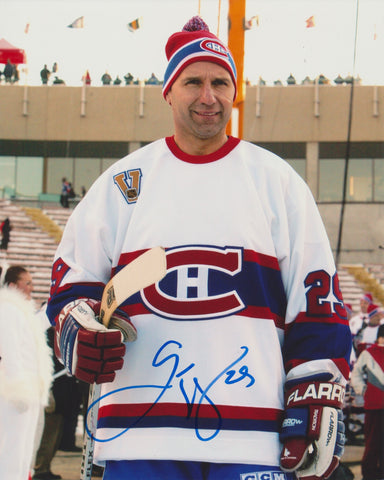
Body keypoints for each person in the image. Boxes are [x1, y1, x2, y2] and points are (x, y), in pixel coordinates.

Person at [46, 16, 351, 480]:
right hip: (136, 434)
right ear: (168, 90)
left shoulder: (278, 182)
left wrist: (316, 393)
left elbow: (317, 303)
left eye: (220, 82)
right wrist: (77, 324)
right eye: (193, 81)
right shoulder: (123, 184)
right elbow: (71, 287)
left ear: (234, 92)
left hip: (253, 437)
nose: (208, 96)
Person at [0, 266, 52, 480]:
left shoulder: (22, 312)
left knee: (24, 455)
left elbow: (36, 332)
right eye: (27, 283)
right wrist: (17, 390)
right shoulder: (7, 309)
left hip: (29, 392)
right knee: (11, 454)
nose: (31, 288)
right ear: (12, 285)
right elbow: (9, 351)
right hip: (14, 395)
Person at [350, 323, 384, 480]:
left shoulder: (368, 353)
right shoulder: (368, 353)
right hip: (375, 405)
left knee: (373, 442)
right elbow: (355, 374)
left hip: (374, 404)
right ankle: (370, 475)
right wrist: (362, 390)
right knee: (372, 442)